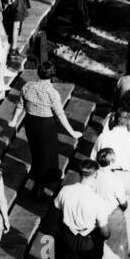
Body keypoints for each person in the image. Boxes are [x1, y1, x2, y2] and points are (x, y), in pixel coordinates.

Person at [15, 62, 81, 197]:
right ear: (52, 75)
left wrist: (13, 120)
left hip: (31, 123)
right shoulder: (52, 93)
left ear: (38, 72)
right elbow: (60, 114)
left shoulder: (27, 86)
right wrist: (72, 132)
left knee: (36, 152)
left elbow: (20, 105)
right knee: (48, 155)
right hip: (46, 126)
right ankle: (39, 188)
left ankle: (40, 179)